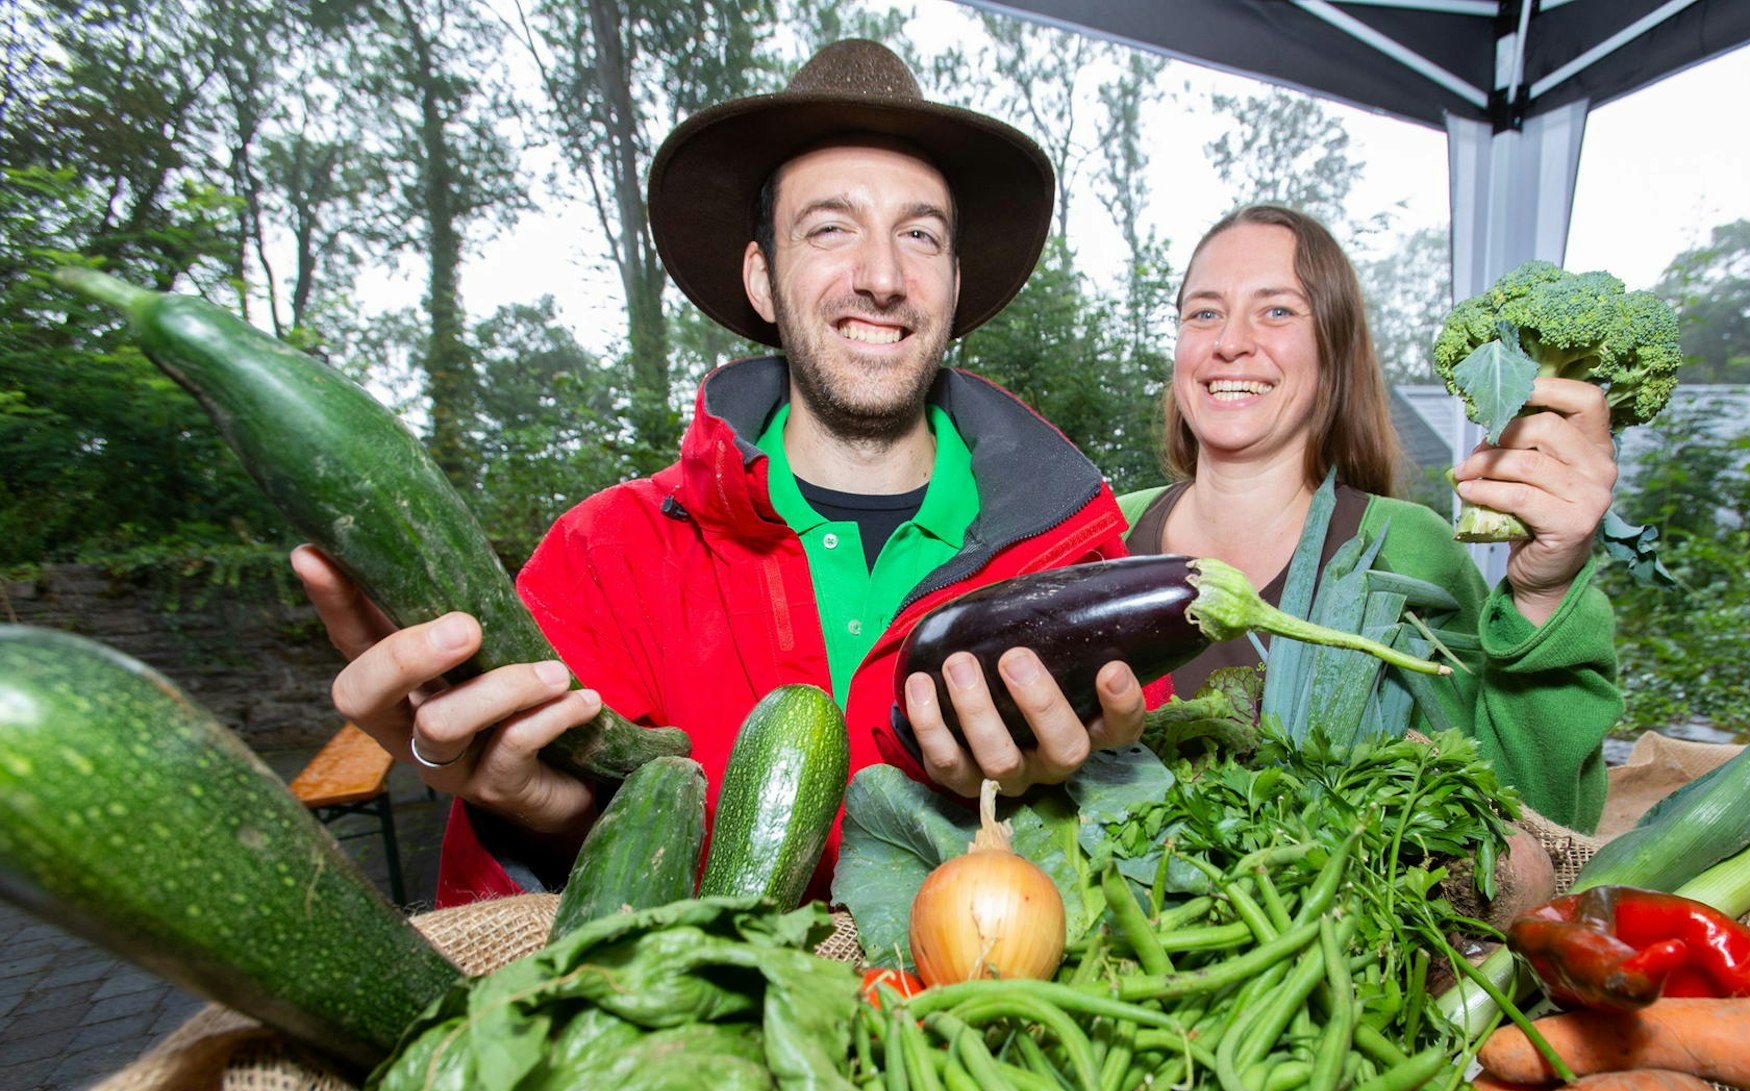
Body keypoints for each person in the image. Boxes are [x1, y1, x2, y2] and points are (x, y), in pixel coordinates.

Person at [292, 40, 1158, 905]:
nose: (883, 276)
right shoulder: (600, 558)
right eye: (830, 227)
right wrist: (543, 814)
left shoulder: (1077, 560)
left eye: (920, 236)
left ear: (954, 282)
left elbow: (1152, 853)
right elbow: (505, 936)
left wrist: (1067, 790)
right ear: (761, 276)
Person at [1120, 204, 1622, 830]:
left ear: (1333, 352)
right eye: (1204, 313)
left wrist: (1544, 592)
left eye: (1277, 310)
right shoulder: (1098, 534)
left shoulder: (1408, 550)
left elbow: (1533, 828)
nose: (1229, 343)